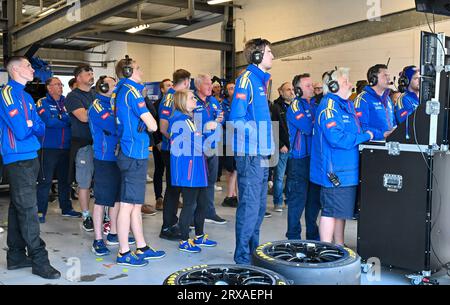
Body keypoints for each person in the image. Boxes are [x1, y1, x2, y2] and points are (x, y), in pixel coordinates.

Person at [0, 56, 60, 279]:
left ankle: (16, 256)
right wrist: (31, 124)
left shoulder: (25, 96)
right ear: (15, 70)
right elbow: (21, 130)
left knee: (18, 207)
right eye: (27, 65)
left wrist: (31, 124)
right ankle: (39, 259)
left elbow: (42, 127)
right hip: (17, 159)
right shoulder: (6, 94)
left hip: (30, 156)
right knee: (28, 209)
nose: (32, 68)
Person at [310, 67, 374, 246]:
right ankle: (326, 249)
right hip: (335, 172)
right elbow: (337, 138)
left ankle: (339, 246)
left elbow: (358, 129)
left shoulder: (346, 105)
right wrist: (366, 136)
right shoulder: (329, 107)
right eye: (346, 82)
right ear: (333, 85)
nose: (351, 85)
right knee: (330, 212)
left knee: (342, 212)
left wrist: (375, 133)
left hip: (347, 171)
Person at [114, 56, 165, 266]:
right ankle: (124, 252)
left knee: (134, 205)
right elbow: (153, 126)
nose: (141, 72)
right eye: (138, 68)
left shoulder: (120, 90)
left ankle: (141, 246)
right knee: (127, 205)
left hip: (131, 150)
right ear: (127, 72)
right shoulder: (133, 92)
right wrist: (146, 124)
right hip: (133, 152)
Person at [229, 38, 274, 264]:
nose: (272, 56)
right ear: (257, 56)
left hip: (263, 153)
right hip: (251, 154)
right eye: (269, 52)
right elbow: (235, 118)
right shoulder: (246, 81)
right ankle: (243, 256)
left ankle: (253, 251)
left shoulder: (260, 82)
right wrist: (259, 138)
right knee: (249, 206)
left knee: (259, 207)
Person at [88, 76, 136, 256]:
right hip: (104, 158)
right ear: (103, 86)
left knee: (117, 198)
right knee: (101, 200)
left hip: (119, 157)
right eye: (113, 83)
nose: (116, 86)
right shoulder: (97, 106)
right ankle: (98, 239)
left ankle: (114, 233)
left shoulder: (114, 104)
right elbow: (115, 125)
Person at [170, 89, 218, 253]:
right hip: (189, 169)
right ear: (182, 101)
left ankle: (199, 235)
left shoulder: (188, 120)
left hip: (197, 167)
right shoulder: (181, 120)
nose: (195, 100)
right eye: (191, 98)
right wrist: (210, 130)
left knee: (202, 202)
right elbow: (203, 145)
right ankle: (184, 239)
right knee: (190, 204)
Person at [36, 77, 81, 223]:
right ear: (49, 87)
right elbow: (48, 121)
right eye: (57, 84)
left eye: (61, 84)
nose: (60, 87)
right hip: (48, 148)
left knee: (65, 181)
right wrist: (64, 118)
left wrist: (60, 117)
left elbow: (73, 120)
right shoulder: (42, 102)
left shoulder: (67, 101)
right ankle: (40, 212)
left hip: (67, 147)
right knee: (45, 181)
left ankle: (66, 208)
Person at [285, 73, 321, 240]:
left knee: (314, 201)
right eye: (307, 86)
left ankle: (313, 236)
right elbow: (309, 127)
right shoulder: (295, 107)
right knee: (297, 201)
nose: (312, 88)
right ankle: (293, 237)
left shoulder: (315, 105)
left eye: (311, 85)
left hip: (314, 159)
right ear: (298, 90)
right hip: (299, 160)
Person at [159, 69, 191, 241]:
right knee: (172, 189)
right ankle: (167, 226)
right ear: (186, 81)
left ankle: (174, 222)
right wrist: (179, 140)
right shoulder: (170, 98)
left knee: (177, 187)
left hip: (180, 150)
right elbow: (163, 128)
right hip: (172, 149)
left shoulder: (178, 97)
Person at [65, 64, 96, 232]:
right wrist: (101, 112)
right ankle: (86, 215)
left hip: (100, 145)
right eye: (88, 74)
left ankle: (103, 215)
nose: (91, 76)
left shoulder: (95, 94)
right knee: (84, 183)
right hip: (83, 145)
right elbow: (84, 117)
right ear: (78, 78)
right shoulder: (72, 96)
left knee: (101, 182)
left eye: (92, 73)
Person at [193, 74, 227, 225]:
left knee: (211, 181)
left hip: (213, 146)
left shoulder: (213, 101)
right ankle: (194, 214)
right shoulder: (192, 101)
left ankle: (209, 212)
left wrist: (219, 119)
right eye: (207, 84)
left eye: (210, 84)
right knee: (197, 182)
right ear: (198, 86)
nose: (210, 87)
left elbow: (221, 117)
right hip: (198, 148)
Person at [270, 82, 295, 212]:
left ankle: (289, 199)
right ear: (281, 92)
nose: (291, 92)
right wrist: (280, 145)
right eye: (288, 89)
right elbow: (272, 128)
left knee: (292, 176)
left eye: (292, 89)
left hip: (294, 148)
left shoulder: (296, 106)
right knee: (279, 177)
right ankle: (278, 202)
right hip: (283, 148)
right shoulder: (275, 107)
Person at [354, 64, 396, 141]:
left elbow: (393, 123)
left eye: (389, 75)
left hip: (388, 143)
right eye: (385, 75)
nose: (389, 78)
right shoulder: (363, 99)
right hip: (372, 145)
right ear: (373, 79)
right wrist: (382, 134)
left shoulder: (387, 99)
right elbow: (360, 127)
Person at [152, 78, 173, 211]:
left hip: (172, 144)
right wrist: (158, 141)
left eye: (172, 84)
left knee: (171, 171)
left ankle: (172, 198)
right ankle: (159, 198)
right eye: (167, 85)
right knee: (159, 170)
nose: (171, 87)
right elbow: (153, 125)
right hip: (159, 142)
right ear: (162, 89)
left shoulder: (175, 103)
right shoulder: (157, 104)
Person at [140, 87, 158, 216]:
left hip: (143, 142)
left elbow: (153, 112)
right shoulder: (128, 96)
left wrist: (145, 97)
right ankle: (137, 204)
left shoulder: (141, 98)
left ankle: (140, 202)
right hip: (132, 143)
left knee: (141, 177)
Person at [221, 82, 238, 208]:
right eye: (230, 89)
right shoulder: (223, 105)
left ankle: (234, 194)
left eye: (234, 88)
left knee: (236, 169)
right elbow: (225, 121)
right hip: (227, 140)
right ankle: (230, 195)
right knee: (230, 169)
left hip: (239, 140)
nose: (233, 90)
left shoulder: (239, 102)